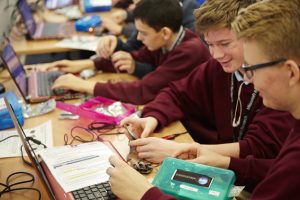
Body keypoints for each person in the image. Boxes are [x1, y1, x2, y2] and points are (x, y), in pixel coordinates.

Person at [106, 0, 300, 199]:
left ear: (291, 72)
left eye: (252, 68)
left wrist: (144, 194)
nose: (216, 54)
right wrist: (220, 161)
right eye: (210, 45)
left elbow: (263, 153)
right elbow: (177, 93)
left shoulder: (281, 102)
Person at [49, 0, 210, 105]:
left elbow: (142, 91)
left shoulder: (189, 51)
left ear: (165, 33)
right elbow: (134, 57)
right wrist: (85, 63)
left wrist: (83, 84)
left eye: (143, 33)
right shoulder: (166, 41)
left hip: (195, 128)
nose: (139, 37)